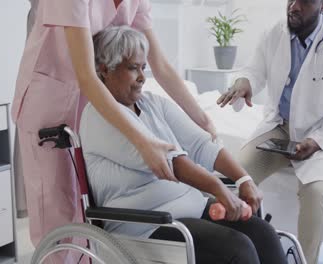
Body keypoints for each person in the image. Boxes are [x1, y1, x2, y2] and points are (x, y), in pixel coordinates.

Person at [13, 0, 216, 263]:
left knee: (91, 208)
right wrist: (143, 141)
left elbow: (160, 65)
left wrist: (202, 120)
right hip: (51, 106)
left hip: (97, 103)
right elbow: (86, 74)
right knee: (59, 211)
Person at [80, 25, 287, 264]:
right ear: (105, 70)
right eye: (132, 68)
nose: (141, 77)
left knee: (264, 234)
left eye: (143, 68)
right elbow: (172, 163)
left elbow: (201, 145)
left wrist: (244, 180)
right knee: (236, 249)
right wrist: (218, 189)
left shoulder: (152, 104)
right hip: (144, 224)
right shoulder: (99, 117)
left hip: (189, 209)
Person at [216, 1, 323, 263]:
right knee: (236, 177)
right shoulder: (275, 34)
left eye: (305, 1)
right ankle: (235, 253)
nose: (294, 6)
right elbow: (254, 70)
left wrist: (316, 141)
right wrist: (244, 82)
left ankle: (305, 260)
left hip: (319, 135)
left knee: (315, 194)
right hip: (278, 128)